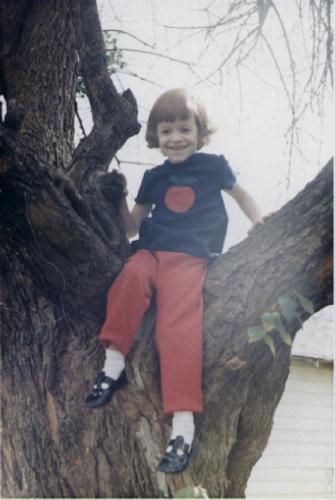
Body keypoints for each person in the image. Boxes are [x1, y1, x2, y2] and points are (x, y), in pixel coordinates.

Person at [84, 88, 264, 474]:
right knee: (129, 278)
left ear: (200, 133)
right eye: (167, 131)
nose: (176, 138)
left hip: (189, 259)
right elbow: (131, 228)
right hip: (151, 253)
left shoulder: (213, 166)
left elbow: (241, 194)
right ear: (156, 137)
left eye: (185, 129)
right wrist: (118, 199)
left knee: (177, 330)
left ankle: (183, 426)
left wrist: (260, 221)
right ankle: (112, 366)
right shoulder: (154, 176)